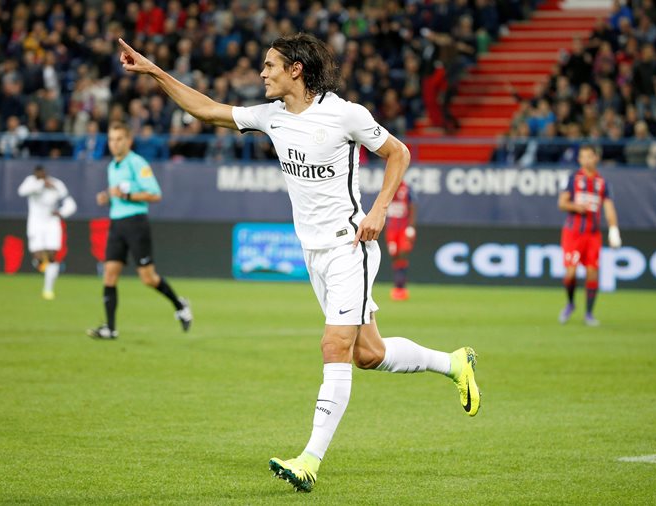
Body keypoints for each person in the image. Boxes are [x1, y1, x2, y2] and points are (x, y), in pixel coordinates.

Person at [117, 33, 481, 493]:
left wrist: (379, 210)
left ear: (296, 70)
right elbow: (206, 109)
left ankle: (309, 459)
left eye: (270, 65)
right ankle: (454, 363)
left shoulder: (344, 114)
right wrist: (152, 70)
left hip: (350, 247)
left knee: (334, 346)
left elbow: (399, 153)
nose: (262, 73)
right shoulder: (272, 117)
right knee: (369, 354)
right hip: (314, 255)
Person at [87, 121, 192, 339]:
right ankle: (110, 328)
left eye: (119, 139)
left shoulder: (137, 163)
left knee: (148, 278)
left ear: (128, 141)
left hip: (136, 223)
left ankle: (180, 305)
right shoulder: (112, 166)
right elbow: (117, 192)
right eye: (111, 139)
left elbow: (155, 194)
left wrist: (125, 196)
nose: (114, 144)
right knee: (109, 274)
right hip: (116, 224)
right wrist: (107, 196)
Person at [558, 144, 622, 326]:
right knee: (570, 273)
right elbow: (562, 203)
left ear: (596, 158)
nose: (586, 160)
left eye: (589, 156)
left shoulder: (602, 183)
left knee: (592, 272)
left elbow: (609, 208)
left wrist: (614, 230)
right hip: (573, 234)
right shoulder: (572, 179)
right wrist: (576, 207)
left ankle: (589, 314)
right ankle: (570, 303)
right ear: (579, 159)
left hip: (593, 235)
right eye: (583, 157)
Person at [17, 165, 77, 300]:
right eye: (37, 175)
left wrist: (61, 212)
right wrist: (41, 185)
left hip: (52, 222)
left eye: (42, 175)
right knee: (38, 257)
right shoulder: (31, 182)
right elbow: (21, 191)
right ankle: (39, 263)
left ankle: (48, 290)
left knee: (52, 256)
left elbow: (70, 203)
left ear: (46, 174)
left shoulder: (57, 184)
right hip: (35, 222)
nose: (40, 176)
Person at [385, 180, 417, 300]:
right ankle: (398, 286)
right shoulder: (387, 187)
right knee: (394, 255)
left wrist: (411, 226)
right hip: (392, 229)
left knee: (403, 254)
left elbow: (413, 206)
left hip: (403, 227)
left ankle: (400, 287)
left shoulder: (407, 189)